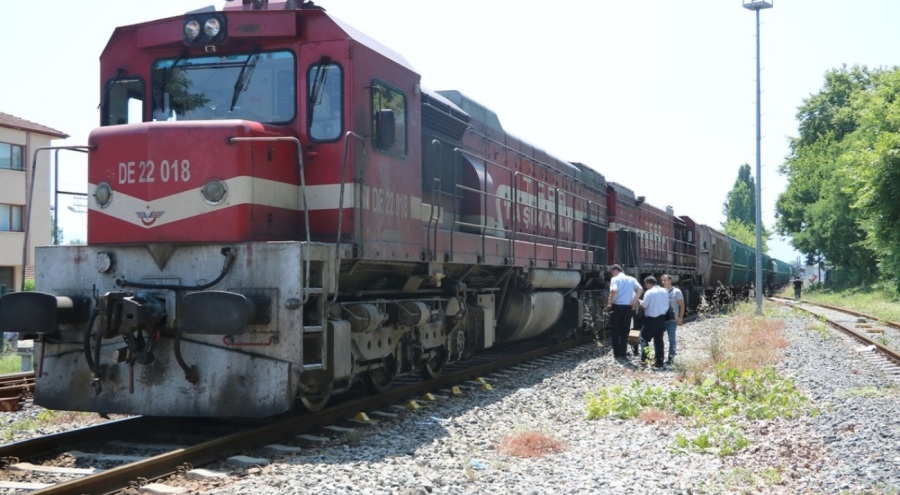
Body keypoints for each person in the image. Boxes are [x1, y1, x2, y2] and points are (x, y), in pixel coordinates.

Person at [606, 264, 642, 360]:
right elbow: (640, 289)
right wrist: (634, 301)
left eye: (612, 272)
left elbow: (615, 290)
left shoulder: (615, 279)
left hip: (616, 307)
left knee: (615, 331)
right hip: (627, 308)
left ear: (615, 270)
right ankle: (623, 353)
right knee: (625, 331)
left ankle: (616, 353)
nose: (612, 274)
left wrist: (610, 302)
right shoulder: (631, 279)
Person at [639, 276, 669, 368]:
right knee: (659, 340)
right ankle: (659, 361)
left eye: (646, 285)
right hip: (662, 319)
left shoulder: (649, 292)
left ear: (648, 283)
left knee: (643, 338)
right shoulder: (665, 291)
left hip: (651, 320)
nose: (646, 286)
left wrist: (639, 301)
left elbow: (644, 305)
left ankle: (645, 359)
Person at [660, 274, 685, 365]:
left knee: (672, 339)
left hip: (672, 319)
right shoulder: (661, 291)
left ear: (670, 280)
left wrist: (680, 317)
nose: (663, 282)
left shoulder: (676, 292)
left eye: (665, 280)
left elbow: (681, 305)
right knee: (659, 338)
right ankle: (660, 356)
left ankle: (671, 357)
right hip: (662, 318)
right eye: (662, 280)